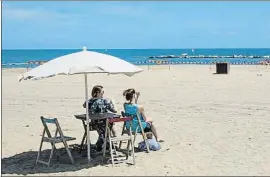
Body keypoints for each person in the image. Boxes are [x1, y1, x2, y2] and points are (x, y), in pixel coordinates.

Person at [83, 85, 117, 151]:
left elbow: (84, 105)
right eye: (102, 92)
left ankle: (103, 142)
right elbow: (115, 111)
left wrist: (92, 98)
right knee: (111, 125)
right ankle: (107, 142)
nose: (103, 94)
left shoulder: (89, 101)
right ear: (98, 92)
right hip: (104, 125)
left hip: (93, 124)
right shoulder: (105, 101)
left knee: (106, 128)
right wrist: (113, 102)